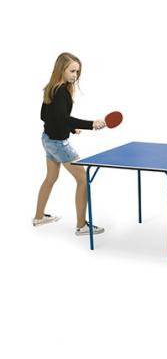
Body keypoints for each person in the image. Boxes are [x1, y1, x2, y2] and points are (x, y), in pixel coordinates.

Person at [33, 52, 106, 236]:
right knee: (83, 180)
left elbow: (46, 116)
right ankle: (81, 226)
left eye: (77, 72)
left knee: (51, 178)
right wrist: (91, 124)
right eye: (72, 71)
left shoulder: (51, 88)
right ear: (61, 69)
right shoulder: (61, 92)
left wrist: (72, 128)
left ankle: (39, 217)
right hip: (59, 144)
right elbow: (63, 118)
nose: (75, 75)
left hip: (47, 140)